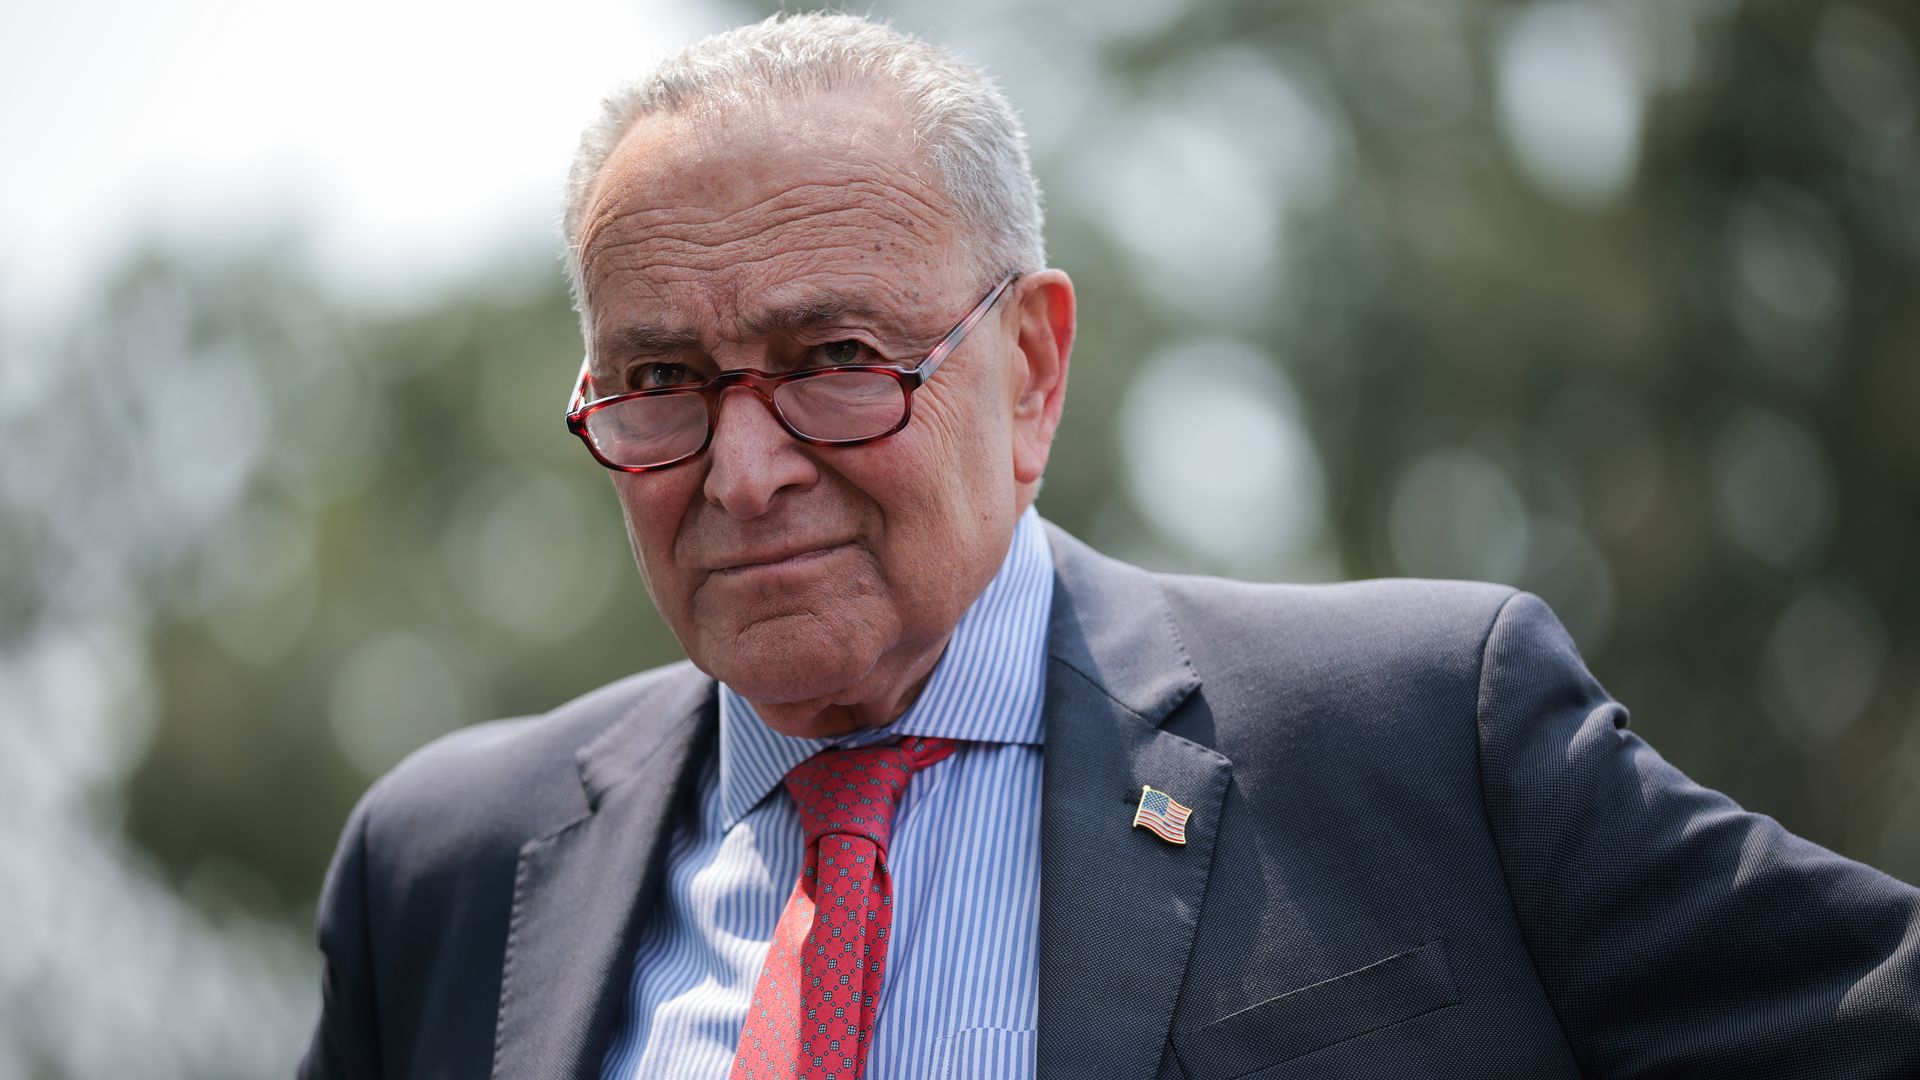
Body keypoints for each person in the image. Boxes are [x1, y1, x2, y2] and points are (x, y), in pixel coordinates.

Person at [299, 13, 1920, 1080]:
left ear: (1033, 371)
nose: (742, 470)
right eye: (659, 383)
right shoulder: (447, 875)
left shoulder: (1422, 729)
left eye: (836, 362)